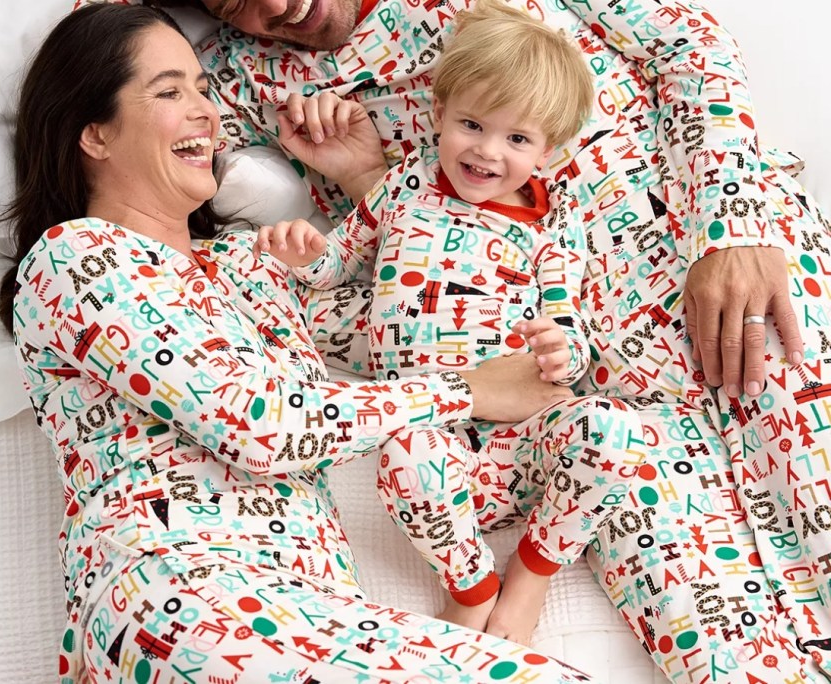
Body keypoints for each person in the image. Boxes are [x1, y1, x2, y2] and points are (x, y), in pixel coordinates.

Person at [144, 0, 831, 681]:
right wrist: (362, 182)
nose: (273, 5)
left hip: (727, 266)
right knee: (713, 645)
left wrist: (734, 224)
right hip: (578, 373)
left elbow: (690, 41)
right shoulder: (235, 76)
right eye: (232, 2)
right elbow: (133, 147)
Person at [0, 4, 604, 682]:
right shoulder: (76, 256)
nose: (204, 111)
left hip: (320, 611)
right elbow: (258, 423)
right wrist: (469, 392)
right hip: (185, 600)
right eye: (169, 91)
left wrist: (359, 176)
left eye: (202, 87)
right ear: (95, 135)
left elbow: (400, 314)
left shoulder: (248, 263)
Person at [252, 0, 644, 645]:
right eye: (471, 124)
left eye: (517, 139)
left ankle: (530, 575)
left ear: (550, 150)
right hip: (439, 444)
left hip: (522, 442)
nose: (488, 152)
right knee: (401, 452)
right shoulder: (406, 185)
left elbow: (570, 330)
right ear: (438, 114)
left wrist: (559, 354)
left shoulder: (552, 224)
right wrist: (306, 257)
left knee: (615, 432)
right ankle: (470, 584)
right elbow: (342, 262)